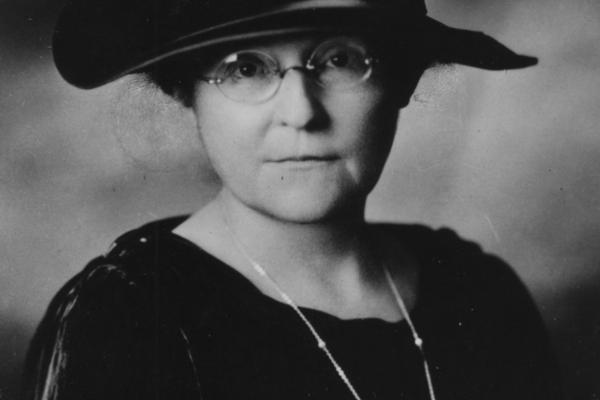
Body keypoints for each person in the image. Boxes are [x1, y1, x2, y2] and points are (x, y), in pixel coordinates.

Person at [21, 0, 563, 399]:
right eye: (245, 68)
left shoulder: (478, 292)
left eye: (340, 60)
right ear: (186, 92)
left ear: (400, 79)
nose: (302, 112)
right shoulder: (129, 317)